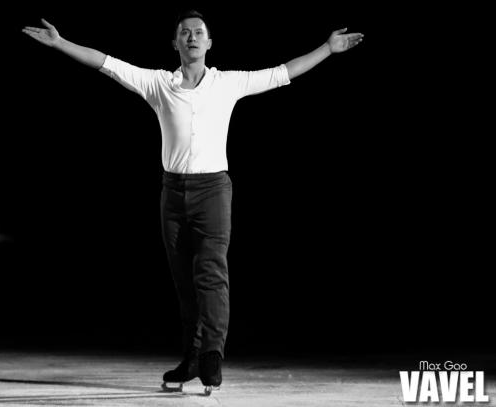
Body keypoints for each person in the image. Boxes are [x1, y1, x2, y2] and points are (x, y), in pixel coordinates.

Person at [22, 10, 363, 392]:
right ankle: (192, 357)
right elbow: (107, 63)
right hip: (173, 193)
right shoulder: (158, 84)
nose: (192, 37)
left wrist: (328, 49)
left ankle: (212, 356)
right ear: (175, 43)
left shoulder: (227, 83)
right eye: (184, 33)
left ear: (210, 42)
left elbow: (283, 72)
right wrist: (60, 42)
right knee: (185, 283)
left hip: (213, 191)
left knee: (212, 275)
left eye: (199, 32)